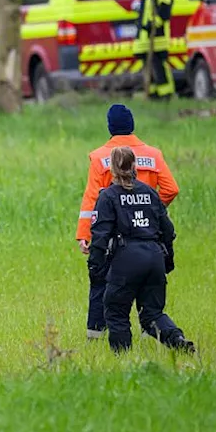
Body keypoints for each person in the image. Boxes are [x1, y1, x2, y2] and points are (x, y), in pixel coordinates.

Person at [75, 104, 179, 341]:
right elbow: (171, 189)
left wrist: (85, 235)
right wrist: (151, 212)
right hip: (149, 236)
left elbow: (92, 199)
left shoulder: (100, 156)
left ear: (109, 127)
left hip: (115, 237)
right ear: (132, 125)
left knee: (104, 284)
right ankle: (150, 333)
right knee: (147, 289)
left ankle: (97, 335)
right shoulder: (154, 154)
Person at [89, 146, 194, 354]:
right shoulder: (150, 193)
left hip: (126, 260)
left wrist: (95, 268)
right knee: (152, 314)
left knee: (117, 311)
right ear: (134, 166)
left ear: (113, 168)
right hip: (154, 258)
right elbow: (168, 230)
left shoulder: (108, 197)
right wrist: (167, 261)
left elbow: (100, 237)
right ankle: (177, 340)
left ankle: (123, 358)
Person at [134, 0, 176, 100]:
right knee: (149, 67)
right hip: (146, 36)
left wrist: (153, 25)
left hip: (157, 37)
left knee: (159, 66)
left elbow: (165, 11)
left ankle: (166, 95)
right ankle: (153, 94)